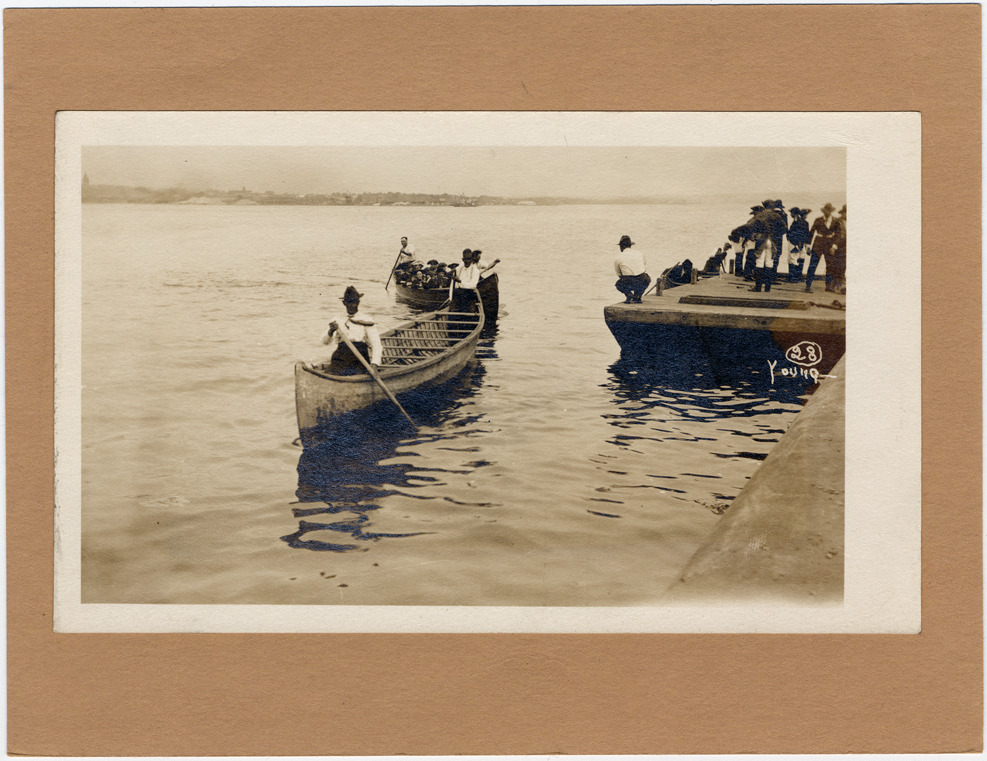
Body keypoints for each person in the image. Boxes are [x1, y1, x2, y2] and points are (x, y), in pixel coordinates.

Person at [319, 285, 382, 375]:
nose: (352, 305)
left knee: (357, 373)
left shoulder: (366, 320)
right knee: (330, 372)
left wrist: (374, 364)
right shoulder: (337, 319)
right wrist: (330, 331)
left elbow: (376, 344)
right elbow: (324, 342)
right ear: (344, 303)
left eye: (355, 302)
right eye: (349, 302)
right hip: (341, 357)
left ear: (358, 302)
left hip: (359, 359)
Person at [804, 203, 839, 293]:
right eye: (826, 210)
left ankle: (828, 286)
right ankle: (808, 285)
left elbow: (838, 235)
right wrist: (808, 246)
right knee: (813, 265)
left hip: (829, 245)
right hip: (818, 244)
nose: (827, 212)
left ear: (831, 211)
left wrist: (834, 246)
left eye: (829, 210)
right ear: (823, 211)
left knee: (830, 266)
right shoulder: (818, 220)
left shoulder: (835, 221)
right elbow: (811, 232)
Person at [613, 235, 650, 303]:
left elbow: (619, 274)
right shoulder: (640, 254)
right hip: (642, 279)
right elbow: (644, 268)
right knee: (647, 279)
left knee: (618, 284)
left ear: (621, 247)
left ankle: (629, 294)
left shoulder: (618, 258)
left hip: (629, 280)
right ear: (630, 245)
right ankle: (638, 296)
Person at [786, 207, 812, 282]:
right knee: (801, 259)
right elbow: (807, 234)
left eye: (791, 213)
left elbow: (796, 233)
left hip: (795, 243)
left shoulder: (797, 221)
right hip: (801, 244)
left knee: (793, 259)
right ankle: (798, 277)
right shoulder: (805, 222)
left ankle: (792, 277)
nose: (791, 214)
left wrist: (791, 239)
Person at [831, 205, 847, 294]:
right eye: (846, 213)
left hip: (847, 247)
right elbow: (833, 234)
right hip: (839, 246)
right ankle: (835, 284)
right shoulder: (837, 221)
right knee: (837, 265)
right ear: (843, 213)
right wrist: (833, 246)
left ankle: (841, 284)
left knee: (844, 266)